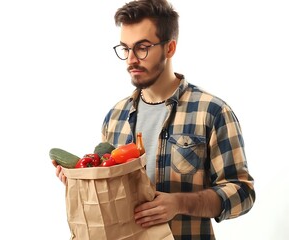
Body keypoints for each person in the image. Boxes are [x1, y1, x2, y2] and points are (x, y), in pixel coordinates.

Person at [52, 0, 255, 239]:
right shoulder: (115, 117)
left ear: (169, 48)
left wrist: (179, 203)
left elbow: (242, 193)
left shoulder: (211, 112)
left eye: (142, 48)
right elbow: (111, 192)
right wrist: (82, 181)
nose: (131, 60)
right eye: (125, 49)